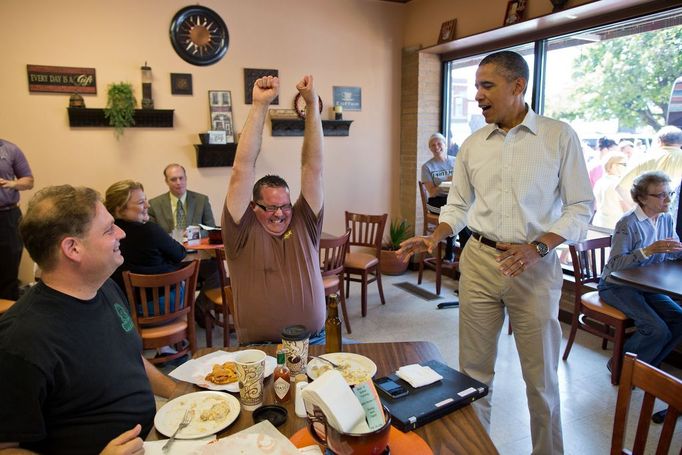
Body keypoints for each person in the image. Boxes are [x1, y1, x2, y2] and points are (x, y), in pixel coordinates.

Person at [397, 51, 594, 455]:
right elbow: (457, 203)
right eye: (476, 87)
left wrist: (539, 247)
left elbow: (581, 207)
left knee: (541, 381)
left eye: (487, 86)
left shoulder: (559, 137)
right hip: (480, 261)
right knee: (472, 373)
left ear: (518, 86)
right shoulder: (472, 144)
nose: (478, 95)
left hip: (534, 268)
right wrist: (438, 235)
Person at [0, 185, 178, 454]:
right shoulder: (20, 341)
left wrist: (178, 392)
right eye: (108, 229)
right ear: (73, 248)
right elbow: (6, 448)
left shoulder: (105, 287)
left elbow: (129, 359)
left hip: (155, 439)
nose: (122, 232)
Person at [222, 75, 325, 344]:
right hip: (261, 348)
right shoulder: (240, 229)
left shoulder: (304, 221)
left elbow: (312, 168)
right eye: (270, 208)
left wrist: (312, 104)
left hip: (314, 341)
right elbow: (241, 169)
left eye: (284, 206)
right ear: (253, 207)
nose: (279, 214)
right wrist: (259, 105)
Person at [598, 171, 682, 370]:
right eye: (661, 195)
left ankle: (646, 368)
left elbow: (672, 252)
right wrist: (648, 251)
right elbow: (616, 265)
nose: (668, 199)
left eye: (670, 193)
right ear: (643, 198)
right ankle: (619, 367)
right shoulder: (627, 223)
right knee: (656, 329)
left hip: (646, 285)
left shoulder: (666, 219)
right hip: (615, 285)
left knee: (680, 319)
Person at [104, 180, 187, 297]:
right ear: (120, 209)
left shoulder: (105, 233)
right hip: (159, 300)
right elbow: (180, 254)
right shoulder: (150, 231)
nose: (148, 205)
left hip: (121, 303)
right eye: (141, 202)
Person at [421, 133, 467, 261]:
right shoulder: (427, 167)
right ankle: (459, 254)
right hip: (436, 202)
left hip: (455, 200)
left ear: (445, 145)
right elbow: (432, 192)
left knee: (461, 211)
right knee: (456, 212)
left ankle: (456, 254)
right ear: (430, 149)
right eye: (432, 145)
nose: (436, 147)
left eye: (439, 144)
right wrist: (445, 182)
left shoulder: (456, 161)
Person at [616, 126, 682, 212]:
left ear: (658, 141)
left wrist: (639, 208)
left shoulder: (643, 158)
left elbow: (620, 187)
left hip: (649, 215)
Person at [0, 139, 34, 300]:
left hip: (8, 216)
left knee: (9, 268)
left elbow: (28, 180)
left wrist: (12, 183)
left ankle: (7, 319)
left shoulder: (10, 149)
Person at [148, 163, 215, 233]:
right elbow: (151, 233)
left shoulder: (201, 200)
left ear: (186, 178)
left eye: (181, 178)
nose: (178, 182)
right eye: (173, 179)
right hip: (168, 243)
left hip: (195, 243)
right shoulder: (154, 204)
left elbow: (211, 229)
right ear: (166, 181)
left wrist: (193, 234)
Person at [592, 151, 629, 229]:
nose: (627, 167)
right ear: (613, 165)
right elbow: (627, 209)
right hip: (614, 226)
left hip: (599, 223)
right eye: (624, 164)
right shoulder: (618, 184)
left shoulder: (599, 182)